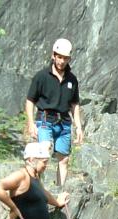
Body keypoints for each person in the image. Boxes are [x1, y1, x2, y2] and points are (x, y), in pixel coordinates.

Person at [25, 38, 84, 186]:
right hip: (45, 119)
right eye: (59, 57)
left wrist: (79, 127)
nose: (61, 61)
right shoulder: (42, 76)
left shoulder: (72, 80)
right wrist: (31, 123)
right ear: (53, 55)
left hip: (64, 122)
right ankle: (37, 190)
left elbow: (74, 104)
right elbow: (30, 100)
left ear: (69, 59)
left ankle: (60, 191)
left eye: (65, 58)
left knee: (64, 159)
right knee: (43, 154)